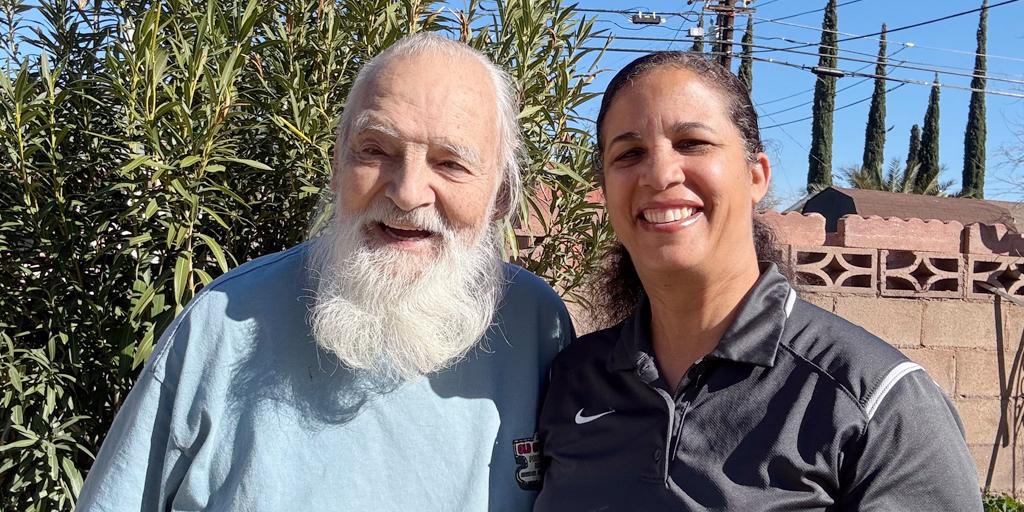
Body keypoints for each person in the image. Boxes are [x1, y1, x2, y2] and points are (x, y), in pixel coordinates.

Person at [77, 33, 573, 511]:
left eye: (450, 164)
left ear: (501, 194)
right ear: (337, 165)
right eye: (375, 150)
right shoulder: (221, 326)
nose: (407, 192)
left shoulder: (536, 330)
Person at [534, 51, 982, 511]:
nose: (660, 174)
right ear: (606, 193)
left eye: (691, 143)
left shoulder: (874, 399)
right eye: (629, 154)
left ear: (755, 176)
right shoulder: (572, 380)